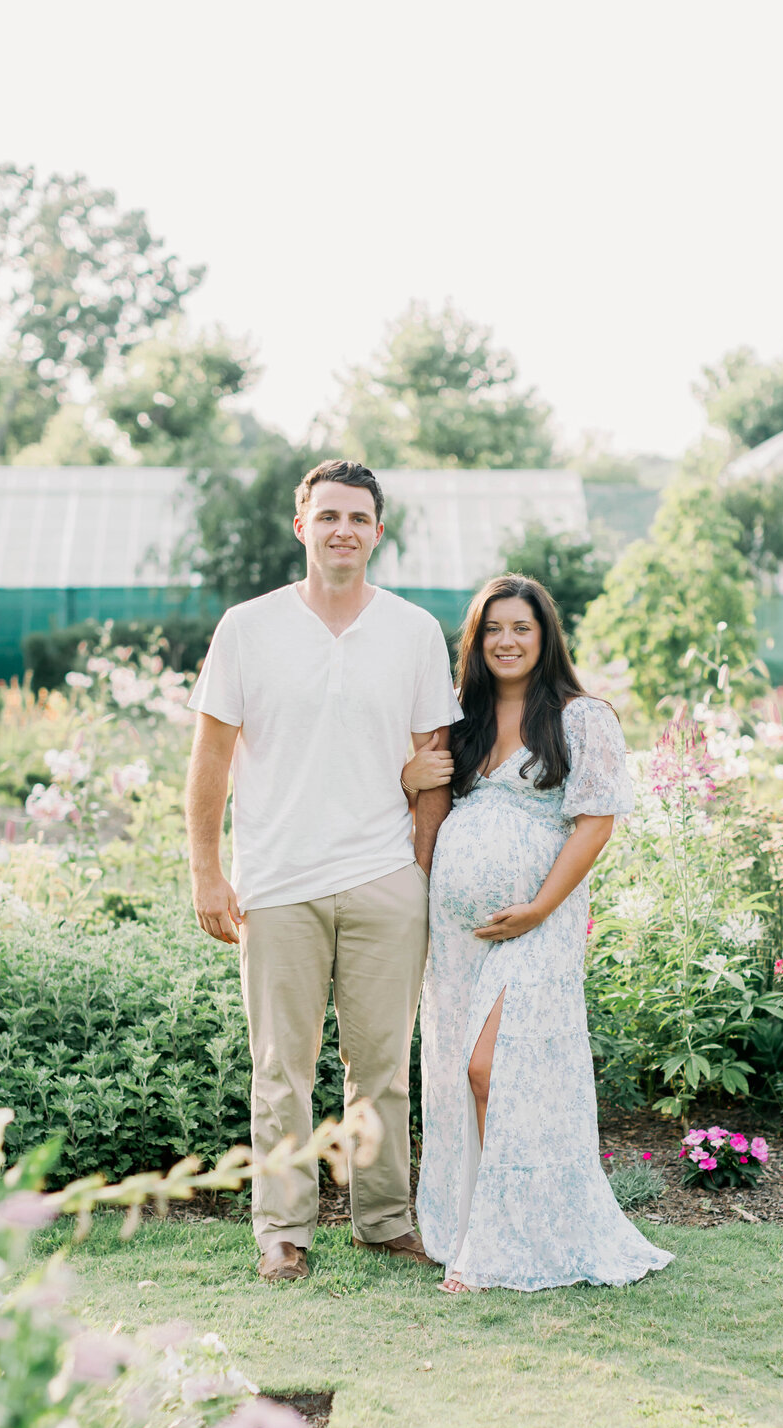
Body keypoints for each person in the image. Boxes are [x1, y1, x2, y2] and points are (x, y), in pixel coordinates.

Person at [185, 458, 461, 1283]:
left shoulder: (412, 631)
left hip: (383, 877)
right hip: (277, 883)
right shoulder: (248, 627)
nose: (344, 529)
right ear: (301, 526)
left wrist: (417, 874)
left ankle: (384, 1221)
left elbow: (433, 762)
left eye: (359, 518)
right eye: (328, 515)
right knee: (281, 1073)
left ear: (378, 532)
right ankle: (283, 1231)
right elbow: (211, 758)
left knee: (382, 1067)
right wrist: (206, 870)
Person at [411, 574, 673, 1293]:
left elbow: (595, 823)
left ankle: (504, 1240)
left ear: (545, 635)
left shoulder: (581, 718)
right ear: (477, 640)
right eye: (493, 628)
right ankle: (477, 1227)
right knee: (456, 1075)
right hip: (459, 934)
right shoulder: (462, 720)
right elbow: (421, 797)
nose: (506, 641)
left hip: (540, 923)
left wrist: (537, 908)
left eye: (520, 628)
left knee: (495, 1068)